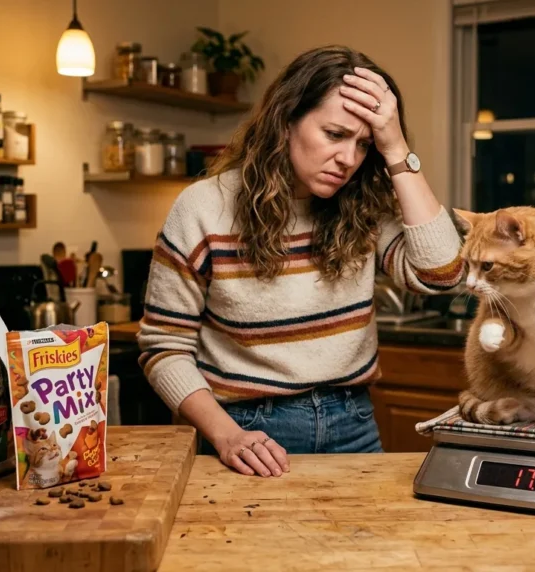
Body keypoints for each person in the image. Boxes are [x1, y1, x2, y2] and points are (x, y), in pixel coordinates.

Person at [138, 45, 466, 477]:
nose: (349, 159)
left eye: (364, 143)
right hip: (250, 432)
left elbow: (442, 275)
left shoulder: (364, 204)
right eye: (334, 134)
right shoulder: (203, 207)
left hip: (355, 423)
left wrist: (396, 149)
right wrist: (225, 434)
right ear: (287, 121)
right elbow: (164, 347)